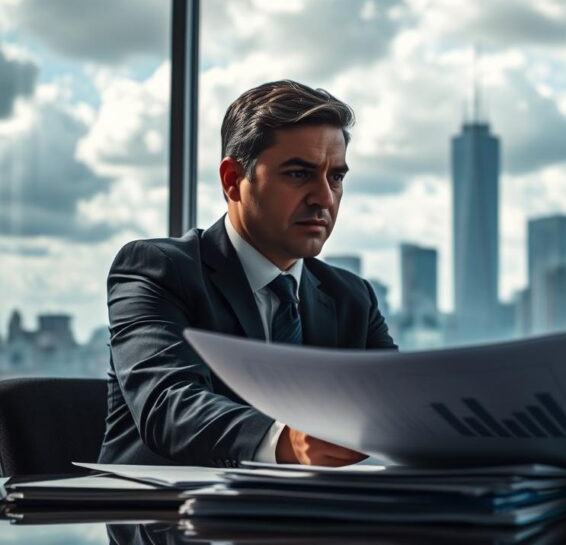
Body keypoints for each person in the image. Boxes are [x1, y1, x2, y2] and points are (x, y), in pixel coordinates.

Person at [98, 80, 396, 468]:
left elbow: (396, 407)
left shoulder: (352, 296)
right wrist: (285, 442)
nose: (324, 198)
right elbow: (168, 405)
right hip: (163, 520)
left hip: (312, 521)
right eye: (297, 174)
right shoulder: (158, 270)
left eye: (336, 177)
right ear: (231, 180)